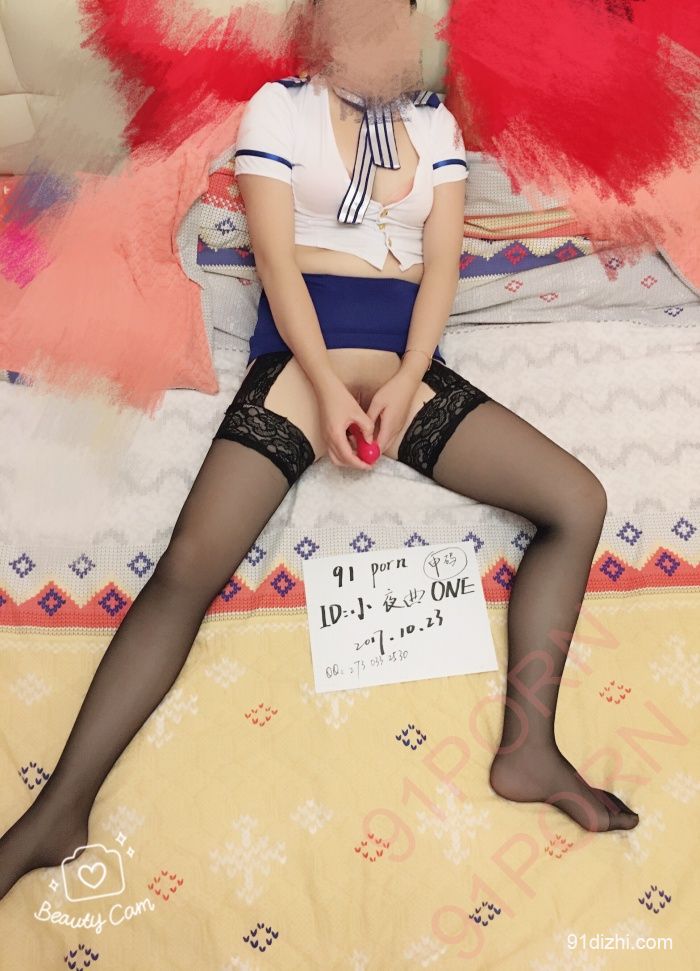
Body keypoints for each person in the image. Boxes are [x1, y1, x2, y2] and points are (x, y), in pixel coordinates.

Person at [0, 0, 638, 906]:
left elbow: (442, 265)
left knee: (578, 500)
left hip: (404, 367)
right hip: (306, 360)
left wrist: (410, 378)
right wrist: (328, 388)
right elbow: (275, 259)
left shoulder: (434, 126)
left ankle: (529, 747)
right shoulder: (280, 109)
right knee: (190, 562)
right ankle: (59, 810)